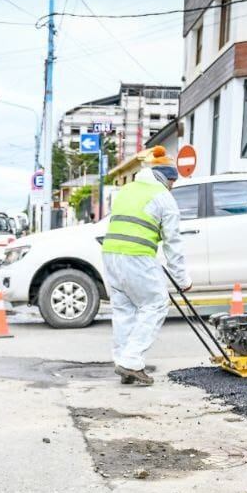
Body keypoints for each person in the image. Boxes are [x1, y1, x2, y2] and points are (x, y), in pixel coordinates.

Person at [101, 162, 189, 386]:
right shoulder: (163, 197)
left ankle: (123, 361)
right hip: (136, 255)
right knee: (156, 303)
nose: (172, 187)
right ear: (165, 179)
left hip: (111, 254)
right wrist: (182, 280)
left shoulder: (127, 189)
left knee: (124, 310)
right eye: (172, 183)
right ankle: (131, 361)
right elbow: (173, 243)